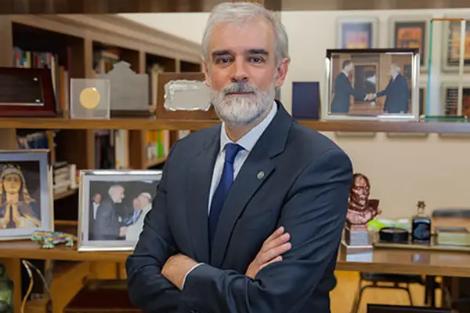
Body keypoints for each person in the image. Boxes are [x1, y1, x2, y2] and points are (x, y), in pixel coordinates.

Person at [126, 3, 352, 313]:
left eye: (256, 58)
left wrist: (186, 271)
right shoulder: (184, 154)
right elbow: (140, 274)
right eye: (224, 59)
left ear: (280, 71)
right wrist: (239, 287)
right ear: (207, 72)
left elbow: (272, 301)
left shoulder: (320, 164)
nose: (239, 73)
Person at [0, 165, 40, 229]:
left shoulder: (30, 206)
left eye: (16, 180)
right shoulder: (1, 206)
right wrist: (4, 221)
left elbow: (37, 227)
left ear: (21, 184)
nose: (12, 183)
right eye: (8, 179)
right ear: (2, 183)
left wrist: (19, 221)